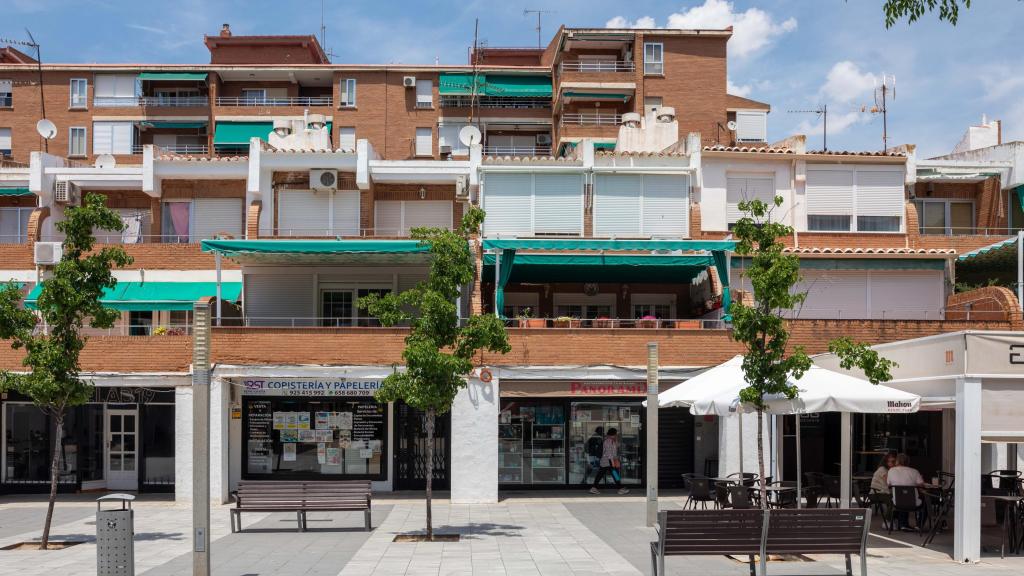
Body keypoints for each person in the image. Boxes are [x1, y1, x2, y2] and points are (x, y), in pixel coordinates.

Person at [887, 453, 926, 531]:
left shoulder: (891, 471)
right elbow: (922, 485)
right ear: (908, 462)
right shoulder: (914, 471)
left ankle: (903, 524)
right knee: (925, 502)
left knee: (902, 496)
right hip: (913, 502)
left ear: (897, 461)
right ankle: (919, 525)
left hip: (897, 502)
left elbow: (888, 484)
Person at [590, 428, 629, 495]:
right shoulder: (608, 441)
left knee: (601, 474)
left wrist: (615, 440)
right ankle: (620, 489)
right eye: (616, 434)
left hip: (607, 462)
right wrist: (613, 463)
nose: (617, 435)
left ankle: (594, 488)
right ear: (613, 434)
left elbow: (617, 446)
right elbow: (609, 453)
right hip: (608, 461)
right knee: (615, 474)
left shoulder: (612, 441)